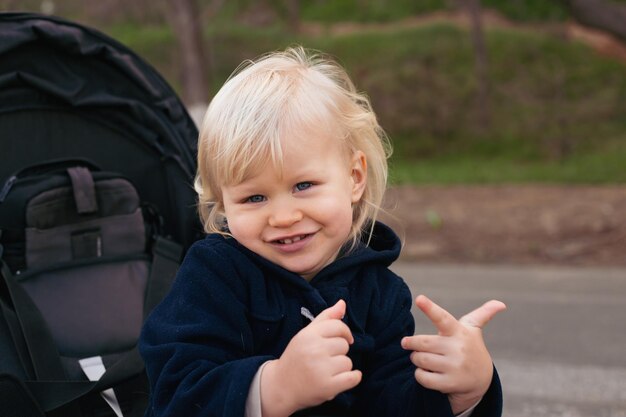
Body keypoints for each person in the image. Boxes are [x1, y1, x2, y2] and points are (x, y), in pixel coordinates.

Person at [139, 46, 506, 417]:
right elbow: (174, 391)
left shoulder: (380, 293)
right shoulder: (213, 276)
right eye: (254, 197)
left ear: (354, 178)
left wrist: (464, 392)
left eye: (303, 185)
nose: (282, 216)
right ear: (223, 204)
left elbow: (392, 404)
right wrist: (272, 386)